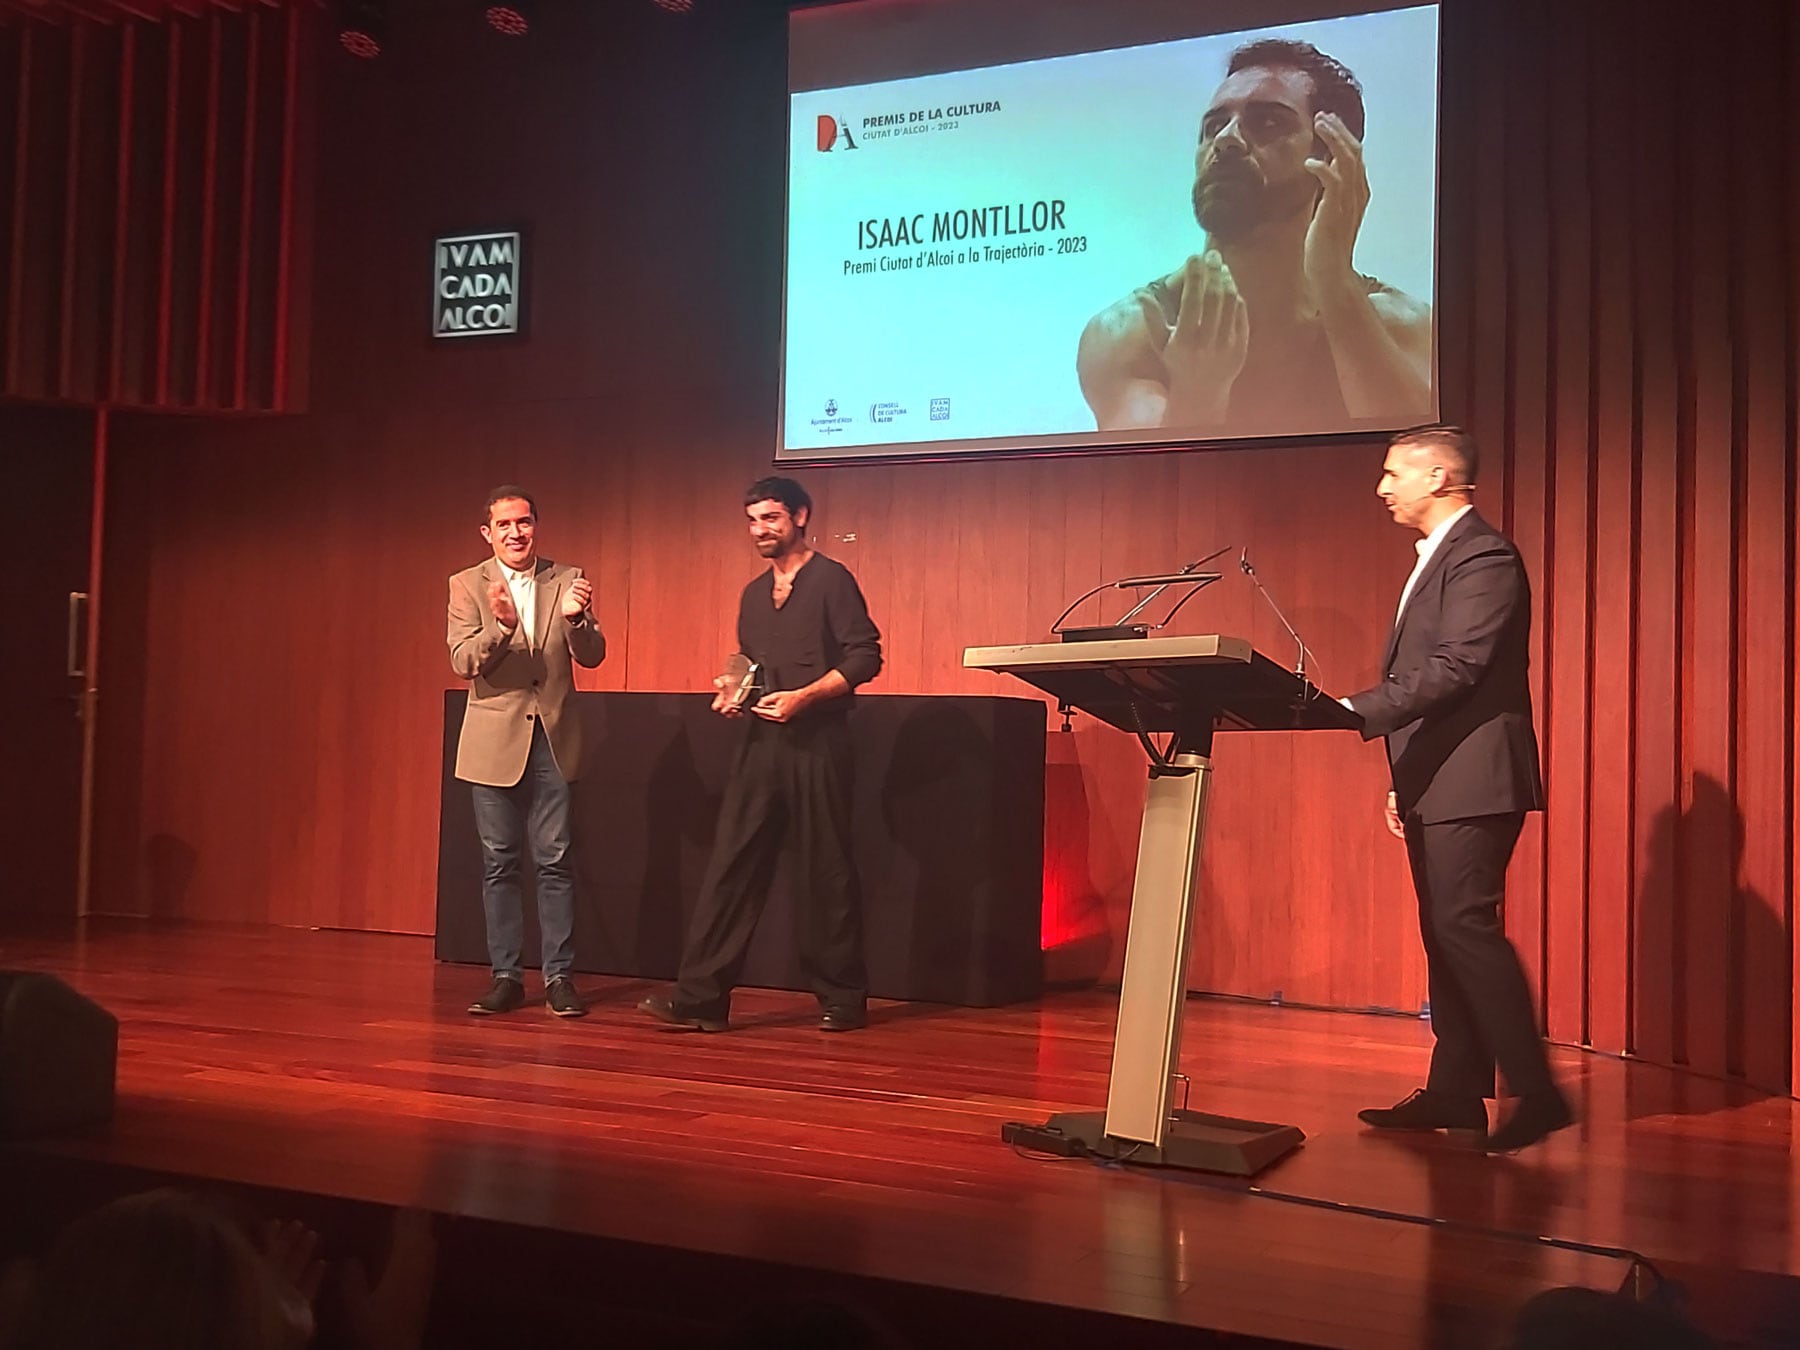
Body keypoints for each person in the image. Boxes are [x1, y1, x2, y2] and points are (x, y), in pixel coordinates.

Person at [1342, 427, 1572, 1153]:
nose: (1382, 489)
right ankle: (1455, 1092)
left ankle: (1538, 1094)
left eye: (1393, 474)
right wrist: (1401, 778)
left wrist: (1356, 709)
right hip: (1438, 777)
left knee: (1465, 928)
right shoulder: (1441, 558)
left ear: (1439, 476)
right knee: (1445, 934)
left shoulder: (1483, 554)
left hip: (1476, 777)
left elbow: (1457, 668)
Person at [1077, 38, 1432, 434]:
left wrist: (1335, 280)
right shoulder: (1135, 329)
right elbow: (1146, 485)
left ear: (1330, 157)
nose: (1226, 139)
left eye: (1267, 122)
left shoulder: (1400, 322)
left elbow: (1414, 461)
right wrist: (1199, 393)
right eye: (1213, 127)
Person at [639, 477, 882, 1033]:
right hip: (760, 744)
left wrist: (806, 697)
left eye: (771, 518)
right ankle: (700, 998)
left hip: (818, 741)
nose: (760, 531)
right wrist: (732, 684)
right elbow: (747, 657)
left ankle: (842, 997)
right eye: (752, 520)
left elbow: (865, 656)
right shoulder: (753, 592)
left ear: (799, 516)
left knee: (825, 870)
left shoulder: (831, 580)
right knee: (731, 866)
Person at [448, 485, 605, 1018]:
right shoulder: (467, 584)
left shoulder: (567, 578)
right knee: (499, 862)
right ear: (487, 532)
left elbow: (594, 655)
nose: (517, 533)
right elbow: (463, 660)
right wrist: (503, 627)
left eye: (526, 522)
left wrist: (578, 621)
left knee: (556, 860)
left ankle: (560, 977)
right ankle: (506, 977)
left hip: (554, 738)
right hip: (493, 742)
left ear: (536, 525)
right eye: (506, 525)